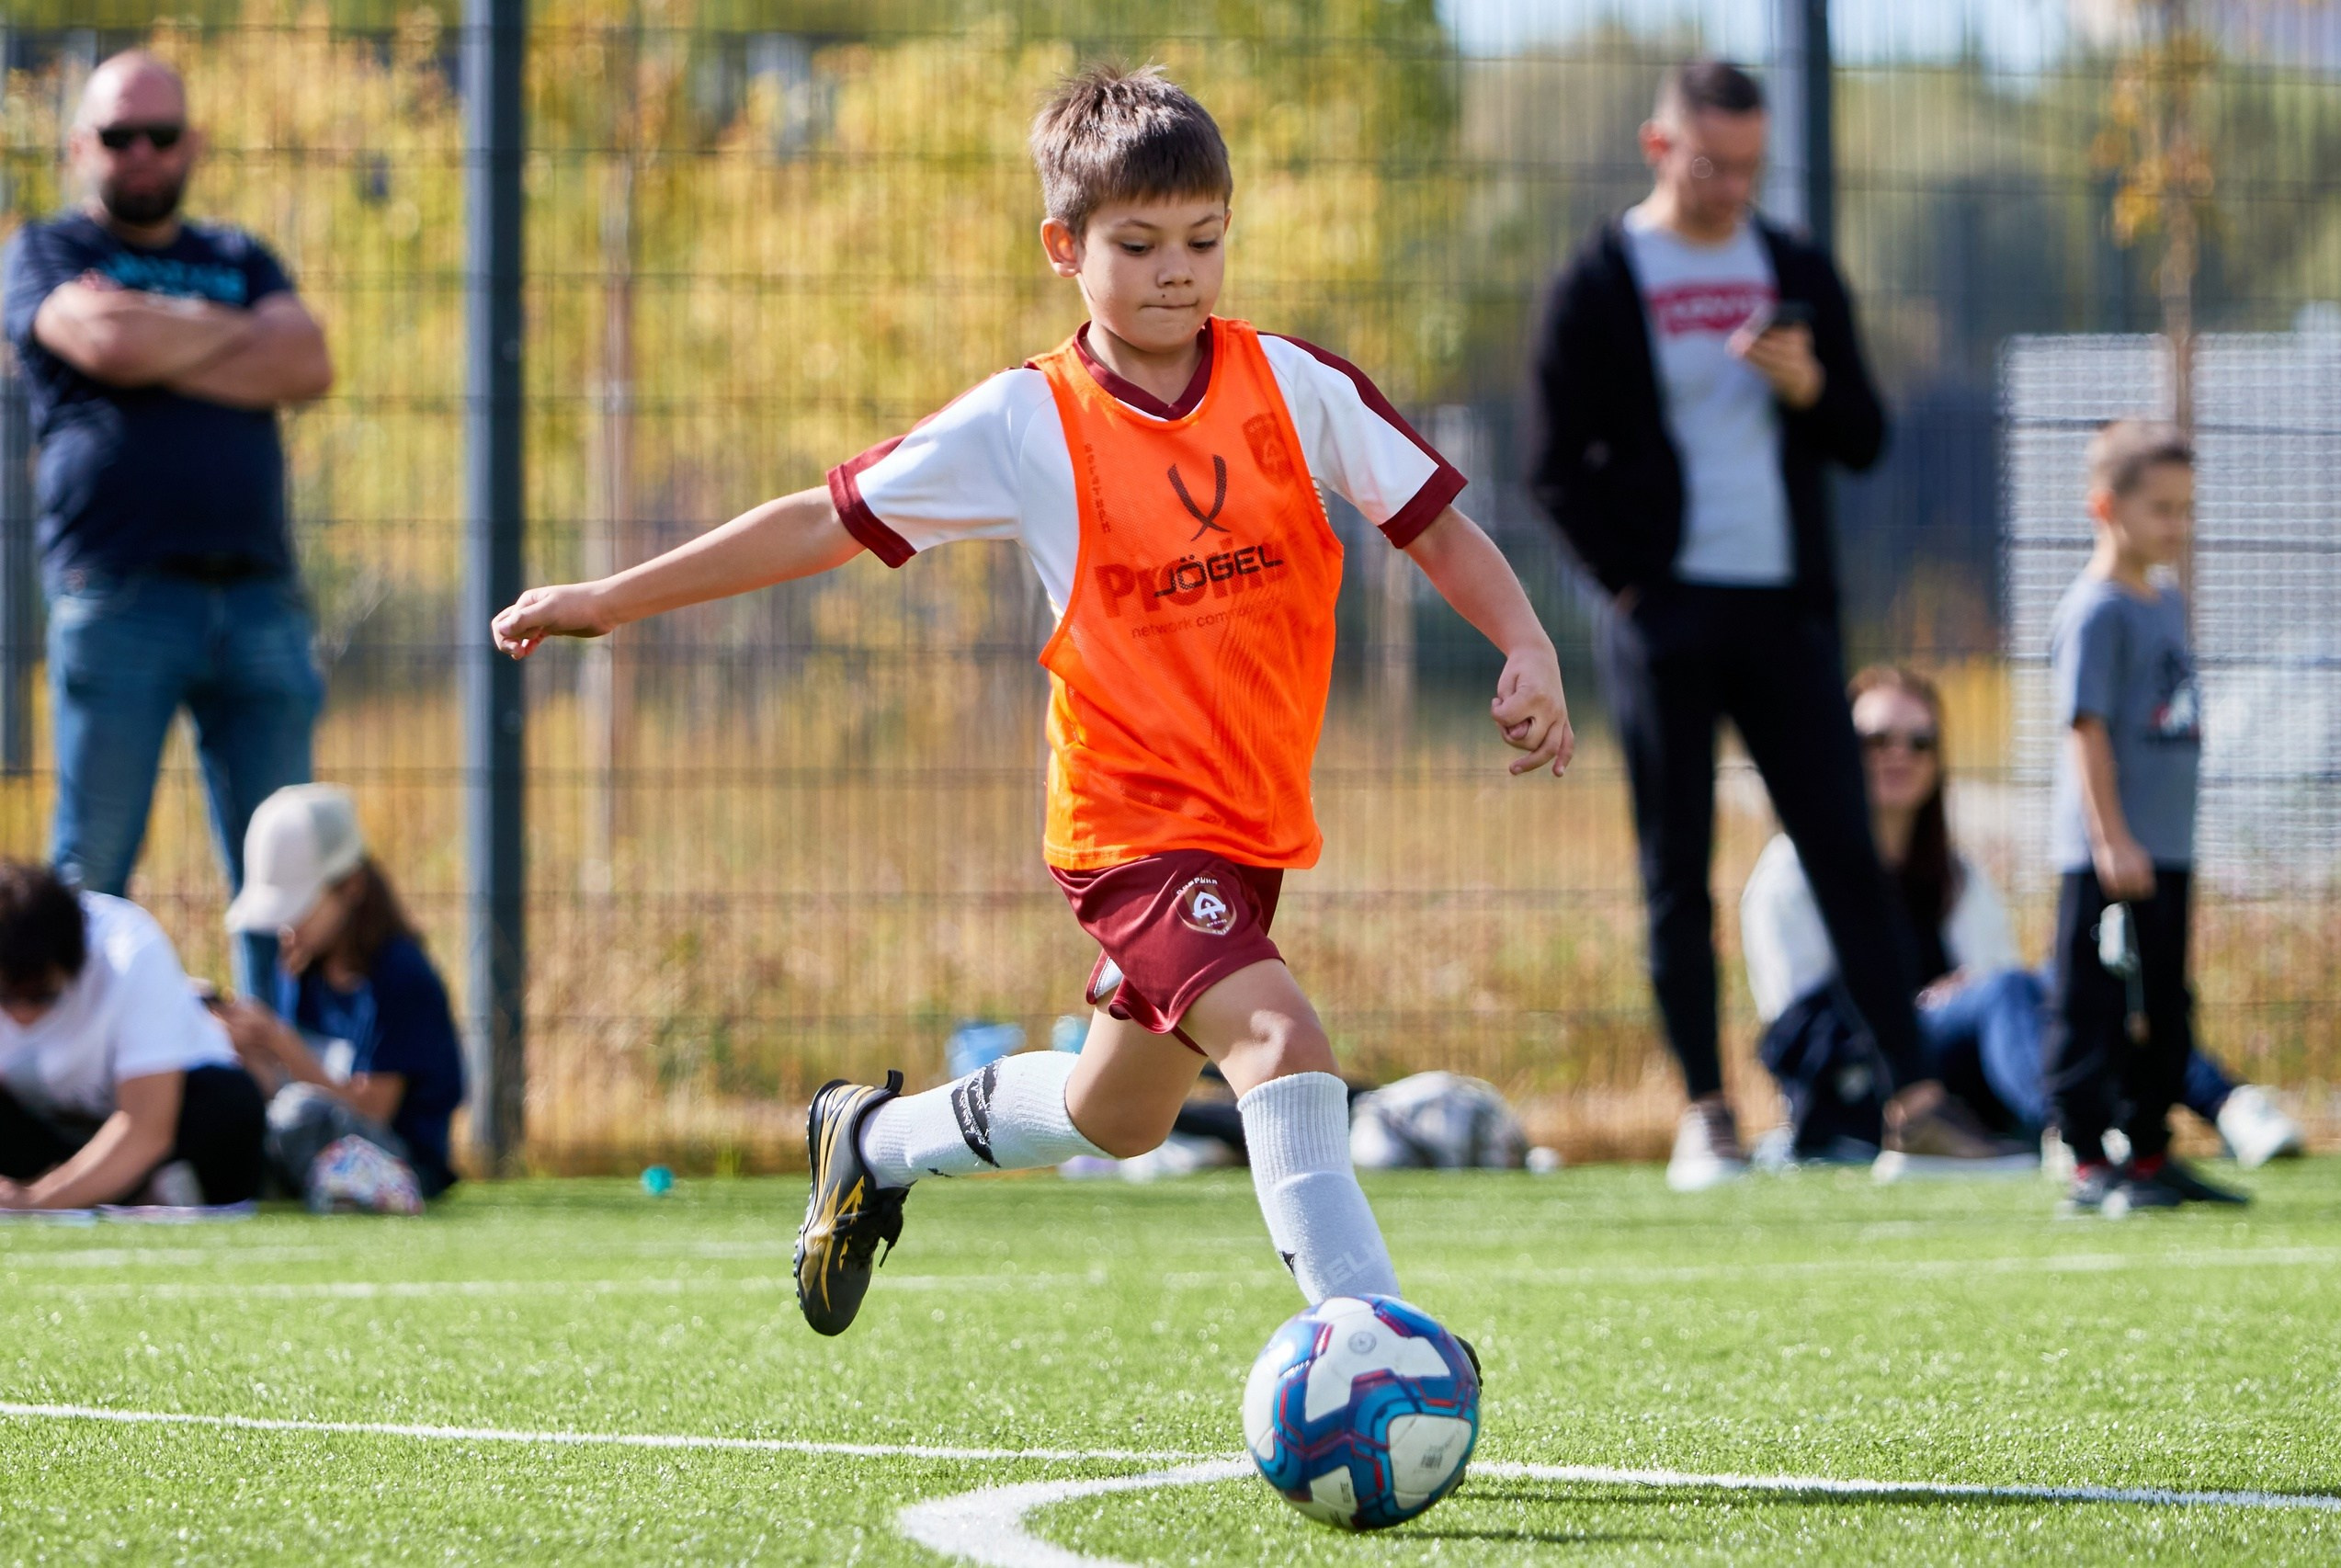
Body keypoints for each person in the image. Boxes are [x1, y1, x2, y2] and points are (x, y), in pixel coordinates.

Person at [491, 64, 1573, 1343]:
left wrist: (1526, 642)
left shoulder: (1294, 385)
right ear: (1064, 247)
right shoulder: (1027, 420)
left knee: (1122, 1115)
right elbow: (821, 520)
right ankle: (1372, 1344)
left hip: (1250, 824)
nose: (1177, 272)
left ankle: (872, 1141)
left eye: (1204, 240)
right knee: (1280, 1041)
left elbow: (1431, 522)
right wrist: (609, 597)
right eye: (1139, 244)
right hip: (1131, 828)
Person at [1528, 59, 2003, 1189]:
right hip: (1662, 618)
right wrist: (1631, 588)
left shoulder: (1791, 267)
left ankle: (1915, 1103)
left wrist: (1809, 386)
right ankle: (1707, 1114)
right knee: (1674, 870)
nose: (1732, 187)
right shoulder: (1597, 279)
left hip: (1784, 614)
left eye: (1749, 166)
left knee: (1845, 849)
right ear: (1659, 147)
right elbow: (1550, 466)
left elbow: (1864, 437)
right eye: (1710, 164)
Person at [0, 51, 333, 997]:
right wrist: (236, 333)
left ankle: (277, 1078)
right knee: (91, 871)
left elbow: (306, 361)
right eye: (119, 136)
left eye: (160, 133)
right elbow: (105, 340)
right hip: (119, 595)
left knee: (286, 876)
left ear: (193, 144)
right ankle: (64, 1070)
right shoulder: (45, 250)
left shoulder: (241, 254)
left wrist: (155, 335)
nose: (141, 152)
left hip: (259, 599)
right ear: (81, 147)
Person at [1740, 666, 2301, 1169]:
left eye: (1920, 741)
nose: (1899, 755)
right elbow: (1800, 1033)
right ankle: (2076, 1131)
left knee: (2065, 984)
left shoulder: (1956, 874)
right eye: (1876, 740)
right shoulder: (1793, 873)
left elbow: (2001, 999)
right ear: (1841, 750)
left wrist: (1964, 997)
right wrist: (1920, 1007)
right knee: (2008, 989)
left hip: (1962, 1081)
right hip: (1866, 1087)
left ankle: (2230, 1105)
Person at [2048, 422, 2248, 1214]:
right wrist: (2111, 838)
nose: (2177, 525)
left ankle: (2149, 1152)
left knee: (2164, 1006)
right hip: (2111, 855)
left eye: (2185, 509)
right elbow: (2086, 728)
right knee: (2092, 1005)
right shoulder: (2095, 611)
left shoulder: (2165, 601)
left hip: (2166, 850)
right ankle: (2087, 1158)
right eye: (2161, 508)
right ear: (2106, 506)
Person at [216, 785, 465, 1210]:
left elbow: (372, 1113)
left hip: (403, 1165)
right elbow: (287, 1085)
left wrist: (282, 1044)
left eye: (299, 908)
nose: (287, 929)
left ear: (351, 887)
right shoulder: (305, 967)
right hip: (320, 1140)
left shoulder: (401, 976)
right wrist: (247, 1051)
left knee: (298, 1113)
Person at [0, 860, 264, 1210]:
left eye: (40, 996)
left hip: (163, 1122)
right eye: (4, 998)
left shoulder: (130, 950)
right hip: (53, 1131)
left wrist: (37, 1201)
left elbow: (146, 1128)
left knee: (227, 1105)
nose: (20, 1016)